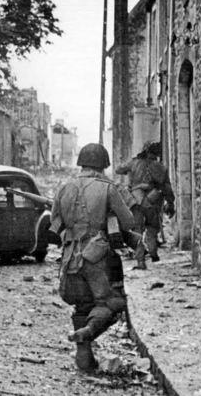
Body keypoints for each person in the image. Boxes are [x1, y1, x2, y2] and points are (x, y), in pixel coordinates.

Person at [51, 143, 136, 371]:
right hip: (97, 255)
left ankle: (84, 359)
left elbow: (55, 224)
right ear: (102, 165)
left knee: (82, 304)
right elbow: (129, 223)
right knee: (111, 302)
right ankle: (87, 332)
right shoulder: (107, 188)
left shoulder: (64, 188)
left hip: (70, 258)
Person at [115, 141, 175, 269]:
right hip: (153, 201)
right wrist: (170, 203)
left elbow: (119, 169)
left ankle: (141, 261)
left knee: (137, 230)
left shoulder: (135, 162)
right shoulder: (160, 167)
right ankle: (153, 252)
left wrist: (134, 159)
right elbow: (167, 188)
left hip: (135, 200)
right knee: (152, 227)